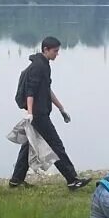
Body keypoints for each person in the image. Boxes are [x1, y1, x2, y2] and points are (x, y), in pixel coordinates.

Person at [11, 36, 89, 191]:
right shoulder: (38, 66)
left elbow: (47, 90)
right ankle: (72, 180)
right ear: (45, 49)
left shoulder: (44, 65)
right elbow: (31, 92)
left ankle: (16, 180)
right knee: (56, 146)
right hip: (38, 115)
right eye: (55, 51)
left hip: (40, 113)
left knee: (28, 145)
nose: (57, 54)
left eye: (58, 51)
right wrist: (30, 114)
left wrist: (61, 108)